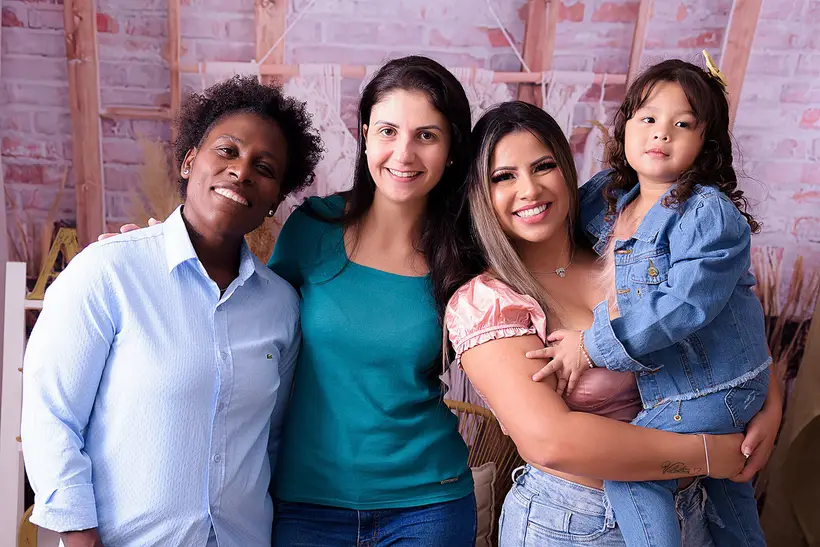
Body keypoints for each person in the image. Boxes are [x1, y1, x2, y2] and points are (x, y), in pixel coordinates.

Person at [445, 100, 782, 546]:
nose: (529, 189)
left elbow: (719, 318)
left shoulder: (626, 248)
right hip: (576, 524)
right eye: (503, 177)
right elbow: (550, 441)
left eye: (543, 166)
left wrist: (769, 405)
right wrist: (707, 454)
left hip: (693, 508)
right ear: (478, 194)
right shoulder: (488, 301)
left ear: (567, 170)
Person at [22, 75, 322, 547]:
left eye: (264, 168)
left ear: (274, 202)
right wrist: (80, 537)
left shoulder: (281, 307)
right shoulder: (108, 272)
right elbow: (51, 417)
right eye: (227, 151)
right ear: (188, 161)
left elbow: (270, 442)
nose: (241, 171)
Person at [527, 55, 772, 546]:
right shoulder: (610, 195)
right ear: (625, 128)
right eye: (649, 118)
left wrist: (591, 346)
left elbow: (684, 306)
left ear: (706, 142)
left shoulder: (707, 214)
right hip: (689, 387)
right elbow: (549, 217)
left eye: (683, 124)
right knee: (731, 508)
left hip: (712, 388)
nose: (661, 133)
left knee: (632, 472)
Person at [266, 56, 483, 546]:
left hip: (428, 506)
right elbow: (241, 317)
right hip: (306, 504)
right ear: (364, 135)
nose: (404, 153)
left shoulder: (467, 254)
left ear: (451, 150)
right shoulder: (313, 229)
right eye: (388, 131)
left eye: (426, 135)